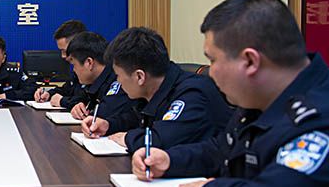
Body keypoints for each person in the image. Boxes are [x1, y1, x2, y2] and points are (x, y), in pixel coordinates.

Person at [131, 0, 329, 187]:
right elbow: (221, 150)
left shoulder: (323, 119)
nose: (210, 72)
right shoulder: (260, 99)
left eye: (212, 60)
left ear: (250, 61)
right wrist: (170, 160)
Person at [82, 27, 231, 151]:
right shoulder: (155, 90)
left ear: (139, 76)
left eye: (118, 75)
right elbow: (136, 119)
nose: (118, 82)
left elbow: (161, 140)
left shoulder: (192, 93)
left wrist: (127, 138)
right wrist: (109, 125)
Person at [62, 31, 134, 120]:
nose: (74, 70)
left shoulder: (117, 77)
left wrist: (88, 112)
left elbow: (105, 113)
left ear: (89, 63)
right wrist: (79, 108)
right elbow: (83, 101)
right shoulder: (94, 81)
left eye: (74, 65)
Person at [34, 19, 87, 109]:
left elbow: (84, 100)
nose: (63, 56)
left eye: (65, 51)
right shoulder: (76, 72)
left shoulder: (89, 69)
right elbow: (67, 90)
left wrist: (62, 101)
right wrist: (48, 93)